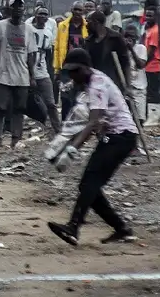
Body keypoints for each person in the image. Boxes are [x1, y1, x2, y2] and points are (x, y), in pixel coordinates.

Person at [46, 48, 141, 246]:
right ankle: (121, 229)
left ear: (86, 68)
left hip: (121, 137)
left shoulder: (97, 86)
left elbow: (93, 122)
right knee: (90, 185)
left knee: (90, 183)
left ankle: (73, 227)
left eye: (75, 70)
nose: (72, 75)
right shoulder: (91, 82)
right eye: (69, 71)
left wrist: (72, 151)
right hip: (115, 137)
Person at [0, 0, 37, 149]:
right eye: (14, 7)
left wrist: (32, 76)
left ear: (24, 10)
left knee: (19, 109)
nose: (18, 9)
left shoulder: (29, 29)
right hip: (4, 75)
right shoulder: (0, 26)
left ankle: (16, 138)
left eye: (20, 7)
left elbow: (31, 54)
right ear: (9, 9)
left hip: (22, 76)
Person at [28, 5, 62, 134]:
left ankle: (57, 129)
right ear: (35, 15)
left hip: (42, 72)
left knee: (51, 103)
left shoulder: (48, 33)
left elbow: (49, 54)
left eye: (45, 14)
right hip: (27, 71)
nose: (43, 16)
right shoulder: (29, 30)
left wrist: (51, 71)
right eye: (40, 14)